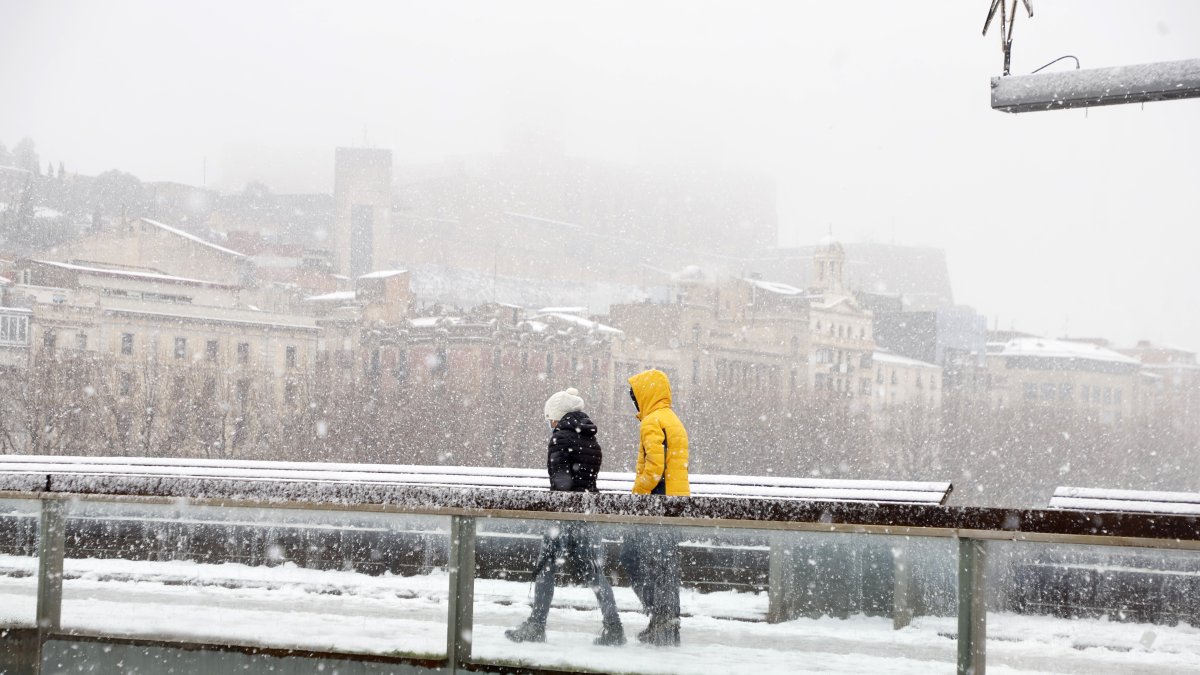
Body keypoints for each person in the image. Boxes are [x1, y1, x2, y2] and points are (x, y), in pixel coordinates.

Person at [505, 387, 626, 646]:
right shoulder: (590, 437)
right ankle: (614, 627)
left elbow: (560, 482)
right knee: (594, 571)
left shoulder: (561, 437)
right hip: (586, 513)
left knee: (546, 568)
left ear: (558, 416)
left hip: (563, 516)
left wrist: (556, 510)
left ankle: (537, 625)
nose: (549, 423)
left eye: (550, 418)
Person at [620, 368, 690, 647]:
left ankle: (660, 617)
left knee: (632, 556)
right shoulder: (673, 420)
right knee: (666, 568)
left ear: (645, 395)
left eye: (635, 396)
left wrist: (636, 496)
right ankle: (667, 622)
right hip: (674, 503)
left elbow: (653, 469)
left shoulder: (651, 422)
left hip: (654, 503)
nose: (634, 403)